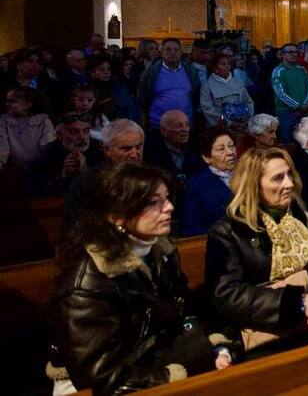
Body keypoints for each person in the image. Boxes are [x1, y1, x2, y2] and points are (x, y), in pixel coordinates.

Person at [49, 163, 230, 394]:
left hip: (147, 360)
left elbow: (180, 309)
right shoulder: (88, 283)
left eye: (167, 198)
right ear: (117, 216)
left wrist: (211, 346)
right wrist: (170, 375)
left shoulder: (159, 251)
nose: (170, 207)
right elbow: (100, 378)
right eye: (154, 202)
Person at [205, 147, 308, 356]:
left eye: (289, 174)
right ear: (253, 185)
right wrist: (299, 304)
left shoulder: (304, 215)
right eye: (278, 178)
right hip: (266, 326)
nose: (288, 183)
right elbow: (228, 295)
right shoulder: (228, 231)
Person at [28, 113, 104, 198]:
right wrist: (63, 177)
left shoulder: (100, 150)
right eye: (74, 132)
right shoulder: (46, 155)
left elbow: (106, 189)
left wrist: (85, 172)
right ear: (59, 135)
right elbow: (32, 192)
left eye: (86, 131)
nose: (82, 137)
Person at [181, 127, 237, 236]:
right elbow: (191, 228)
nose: (230, 152)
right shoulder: (196, 185)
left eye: (231, 146)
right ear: (206, 157)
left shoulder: (248, 175)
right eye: (221, 149)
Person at [137, 39, 201, 130]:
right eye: (168, 49)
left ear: (181, 53)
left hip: (185, 125)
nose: (172, 52)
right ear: (162, 52)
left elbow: (196, 94)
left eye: (176, 50)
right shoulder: (151, 72)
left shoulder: (190, 71)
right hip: (158, 125)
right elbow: (142, 97)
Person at [0, 87, 55, 175]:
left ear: (27, 105)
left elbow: (47, 150)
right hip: (12, 170)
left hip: (38, 170)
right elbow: (2, 148)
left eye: (12, 101)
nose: (7, 104)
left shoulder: (43, 122)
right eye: (7, 101)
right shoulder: (4, 121)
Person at [270, 43, 308, 143]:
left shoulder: (302, 70)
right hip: (285, 113)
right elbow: (280, 93)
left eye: (295, 52)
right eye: (290, 52)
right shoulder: (278, 71)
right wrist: (298, 106)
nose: (294, 54)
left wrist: (305, 105)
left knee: (306, 144)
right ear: (283, 55)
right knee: (289, 144)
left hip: (303, 112)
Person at [200, 53, 253, 128]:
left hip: (241, 126)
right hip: (219, 127)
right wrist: (229, 122)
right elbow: (207, 110)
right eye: (223, 64)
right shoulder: (207, 86)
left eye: (229, 64)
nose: (227, 66)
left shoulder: (238, 84)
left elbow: (248, 102)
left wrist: (246, 118)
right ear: (215, 68)